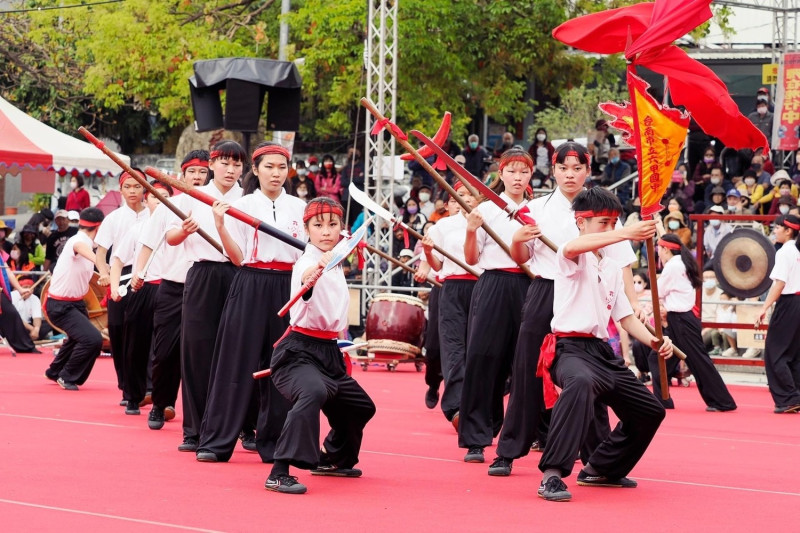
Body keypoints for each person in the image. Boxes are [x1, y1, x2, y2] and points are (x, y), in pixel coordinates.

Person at [491, 142, 641, 478]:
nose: (569, 175)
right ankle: (508, 450)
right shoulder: (536, 209)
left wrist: (634, 303)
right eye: (563, 168)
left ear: (588, 170)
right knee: (527, 368)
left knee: (593, 376)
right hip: (547, 289)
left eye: (577, 168)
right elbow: (522, 258)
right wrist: (518, 238)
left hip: (589, 293)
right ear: (553, 171)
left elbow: (621, 263)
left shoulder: (604, 209)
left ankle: (597, 457)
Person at [535, 187, 670, 502]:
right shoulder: (570, 254)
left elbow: (625, 317)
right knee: (580, 384)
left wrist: (655, 342)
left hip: (601, 353)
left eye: (613, 223)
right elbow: (574, 247)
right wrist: (626, 232)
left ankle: (601, 468)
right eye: (603, 223)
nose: (610, 230)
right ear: (581, 222)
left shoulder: (610, 266)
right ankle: (552, 476)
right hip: (568, 350)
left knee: (650, 411)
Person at [196, 142, 306, 464]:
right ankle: (216, 442)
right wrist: (219, 225)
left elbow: (308, 253)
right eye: (269, 167)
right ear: (255, 170)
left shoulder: (300, 208)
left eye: (281, 167)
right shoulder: (242, 206)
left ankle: (274, 444)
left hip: (288, 286)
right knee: (235, 361)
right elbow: (238, 257)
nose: (276, 173)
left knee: (282, 365)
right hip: (250, 282)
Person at [265, 197, 376, 495]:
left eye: (332, 225)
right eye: (318, 225)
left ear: (342, 229)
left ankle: (333, 459)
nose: (325, 231)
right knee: (312, 392)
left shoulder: (337, 260)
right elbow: (305, 274)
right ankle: (279, 472)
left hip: (329, 353)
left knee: (361, 406)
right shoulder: (307, 261)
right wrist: (314, 271)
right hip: (297, 352)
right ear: (307, 230)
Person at [166, 140, 245, 452]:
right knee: (196, 353)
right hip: (201, 275)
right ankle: (194, 429)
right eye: (224, 163)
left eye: (237, 164)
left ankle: (243, 426)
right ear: (212, 164)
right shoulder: (193, 196)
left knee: (239, 353)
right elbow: (171, 238)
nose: (230, 169)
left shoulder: (248, 200)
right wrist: (185, 230)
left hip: (239, 276)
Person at [459, 148, 533, 463]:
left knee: (525, 362)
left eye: (524, 172)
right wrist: (472, 229)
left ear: (531, 175)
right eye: (512, 171)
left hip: (530, 285)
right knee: (482, 357)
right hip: (492, 285)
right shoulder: (486, 210)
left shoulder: (536, 210)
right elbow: (472, 259)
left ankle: (529, 432)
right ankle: (477, 436)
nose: (518, 178)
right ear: (501, 174)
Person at [422, 182, 483, 428]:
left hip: (481, 288)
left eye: (471, 195)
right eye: (460, 195)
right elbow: (437, 265)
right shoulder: (443, 226)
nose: (465, 200)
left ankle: (478, 403)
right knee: (453, 349)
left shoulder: (487, 224)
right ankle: (456, 408)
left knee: (477, 350)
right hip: (452, 288)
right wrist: (427, 254)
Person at [109, 181, 173, 415]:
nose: (161, 201)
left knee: (166, 349)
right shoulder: (138, 229)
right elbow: (117, 261)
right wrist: (115, 287)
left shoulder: (177, 228)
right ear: (146, 201)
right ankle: (133, 396)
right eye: (156, 197)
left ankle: (164, 400)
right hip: (142, 289)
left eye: (166, 196)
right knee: (135, 345)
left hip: (171, 290)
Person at [656, 233, 737, 412]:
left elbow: (658, 291)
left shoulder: (673, 267)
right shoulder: (682, 262)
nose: (658, 253)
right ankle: (662, 399)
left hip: (680, 319)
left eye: (659, 249)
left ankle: (722, 401)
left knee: (698, 361)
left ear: (665, 249)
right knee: (661, 358)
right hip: (680, 318)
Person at [94, 169, 149, 405]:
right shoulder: (113, 219)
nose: (133, 191)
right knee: (117, 330)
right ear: (121, 189)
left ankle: (144, 387)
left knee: (144, 331)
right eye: (128, 187)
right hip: (119, 275)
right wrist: (105, 274)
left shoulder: (153, 215)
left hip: (146, 275)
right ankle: (125, 383)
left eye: (137, 186)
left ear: (145, 189)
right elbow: (101, 252)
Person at [44, 207, 106, 390]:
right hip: (60, 305)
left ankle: (54, 371)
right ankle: (67, 376)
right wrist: (102, 267)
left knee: (76, 337)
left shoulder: (88, 243)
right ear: (99, 226)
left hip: (74, 303)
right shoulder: (78, 241)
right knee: (92, 340)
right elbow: (80, 248)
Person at [756, 215, 800, 413]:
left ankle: (788, 398)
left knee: (775, 352)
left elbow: (779, 283)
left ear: (788, 230)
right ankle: (796, 394)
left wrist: (764, 307)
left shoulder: (785, 251)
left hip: (790, 302)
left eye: (777, 227)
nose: (774, 231)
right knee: (794, 354)